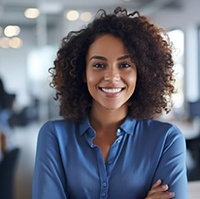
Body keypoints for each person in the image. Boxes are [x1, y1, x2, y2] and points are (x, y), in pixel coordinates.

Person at [32, 7, 188, 199]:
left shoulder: (167, 140)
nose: (112, 77)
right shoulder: (54, 136)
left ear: (141, 73)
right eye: (99, 65)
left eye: (125, 65)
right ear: (83, 72)